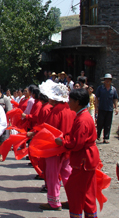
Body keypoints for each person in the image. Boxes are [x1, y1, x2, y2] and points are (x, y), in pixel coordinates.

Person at [55, 88, 100, 218]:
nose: (69, 103)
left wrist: (62, 143)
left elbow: (77, 144)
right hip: (88, 158)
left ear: (78, 102)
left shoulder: (82, 119)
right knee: (88, 193)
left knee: (75, 191)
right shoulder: (82, 116)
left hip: (83, 160)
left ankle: (76, 215)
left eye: (71, 100)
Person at [39, 82, 75, 211]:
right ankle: (73, 199)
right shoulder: (70, 109)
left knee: (52, 174)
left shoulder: (56, 111)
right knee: (67, 174)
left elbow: (50, 131)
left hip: (56, 147)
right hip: (68, 146)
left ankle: (54, 202)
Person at [95, 73, 118, 143]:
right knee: (100, 123)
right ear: (104, 80)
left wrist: (116, 107)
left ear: (111, 81)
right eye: (106, 79)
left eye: (109, 80)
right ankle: (98, 135)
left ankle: (106, 138)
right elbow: (96, 98)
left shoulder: (113, 89)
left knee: (108, 124)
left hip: (109, 109)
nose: (107, 81)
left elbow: (115, 99)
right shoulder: (100, 88)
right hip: (102, 108)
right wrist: (96, 107)